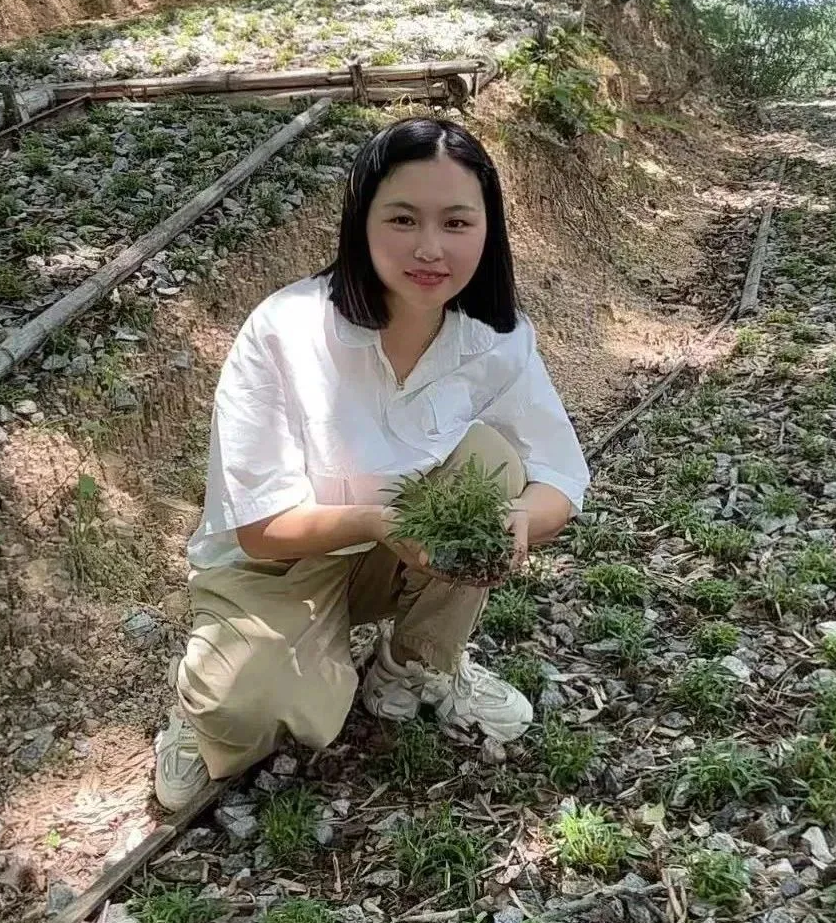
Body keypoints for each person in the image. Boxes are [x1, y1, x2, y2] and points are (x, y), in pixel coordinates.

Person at [153, 115, 590, 811]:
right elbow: (260, 530)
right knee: (246, 711)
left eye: (455, 222)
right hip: (279, 567)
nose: (429, 247)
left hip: (394, 550)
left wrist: (515, 518)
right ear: (361, 220)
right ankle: (201, 710)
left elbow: (560, 477)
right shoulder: (286, 331)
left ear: (489, 229)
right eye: (402, 219)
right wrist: (379, 520)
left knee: (492, 463)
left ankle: (414, 667)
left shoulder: (496, 339)